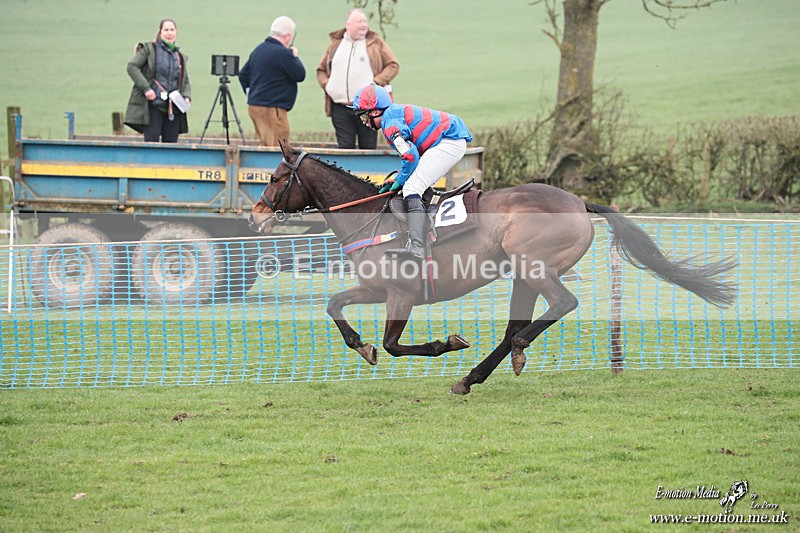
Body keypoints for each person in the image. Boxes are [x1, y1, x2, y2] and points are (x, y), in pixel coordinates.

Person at [350, 83, 473, 260]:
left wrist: (400, 180)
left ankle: (417, 247)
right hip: (447, 140)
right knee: (416, 185)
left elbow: (409, 156)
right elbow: (411, 155)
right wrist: (399, 179)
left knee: (411, 189)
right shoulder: (392, 116)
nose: (364, 123)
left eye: (364, 117)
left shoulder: (390, 125)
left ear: (375, 111)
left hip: (448, 142)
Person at [316, 9, 399, 149]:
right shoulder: (335, 44)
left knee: (368, 147)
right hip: (340, 107)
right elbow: (321, 70)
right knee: (345, 148)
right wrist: (328, 85)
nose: (364, 25)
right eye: (359, 21)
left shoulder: (376, 43)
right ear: (348, 24)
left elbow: (393, 65)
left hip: (368, 107)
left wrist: (376, 83)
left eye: (365, 21)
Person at [239, 16, 306, 147]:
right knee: (278, 148)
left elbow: (243, 75)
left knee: (265, 144)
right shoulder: (283, 53)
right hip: (273, 109)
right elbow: (300, 74)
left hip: (255, 107)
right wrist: (295, 57)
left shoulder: (258, 50)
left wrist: (252, 95)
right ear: (287, 36)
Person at [125, 19, 191, 143]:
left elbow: (185, 80)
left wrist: (187, 96)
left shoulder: (180, 56)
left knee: (171, 147)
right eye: (166, 30)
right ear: (160, 32)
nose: (169, 33)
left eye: (172, 30)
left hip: (174, 108)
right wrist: (146, 89)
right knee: (151, 145)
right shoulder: (150, 49)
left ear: (176, 32)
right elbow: (132, 67)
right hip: (153, 105)